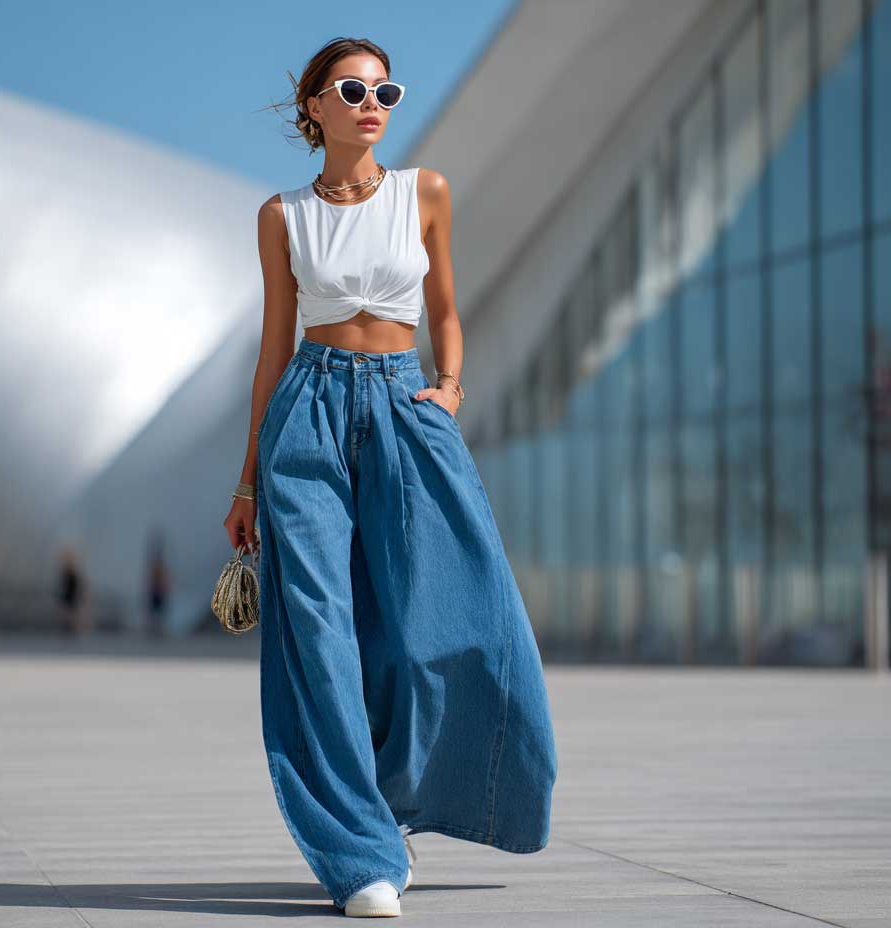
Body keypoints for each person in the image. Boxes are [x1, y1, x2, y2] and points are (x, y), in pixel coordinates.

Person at [224, 37, 557, 917]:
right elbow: (272, 348)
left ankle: (396, 799)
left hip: (408, 407)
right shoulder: (282, 215)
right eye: (352, 89)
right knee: (319, 634)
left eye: (386, 89)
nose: (373, 102)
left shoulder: (424, 194)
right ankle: (361, 854)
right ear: (315, 109)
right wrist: (248, 479)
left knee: (441, 620)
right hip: (310, 413)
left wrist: (447, 389)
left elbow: (445, 310)